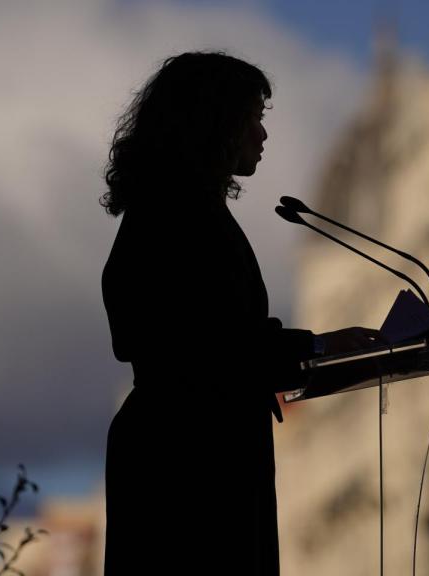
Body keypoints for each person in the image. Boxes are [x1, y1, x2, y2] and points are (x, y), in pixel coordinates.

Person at [100, 51, 380, 575]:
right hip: (190, 462)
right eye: (254, 119)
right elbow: (203, 342)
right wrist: (320, 346)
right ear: (216, 122)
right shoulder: (177, 210)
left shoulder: (180, 205)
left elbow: (216, 333)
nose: (263, 135)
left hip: (194, 450)